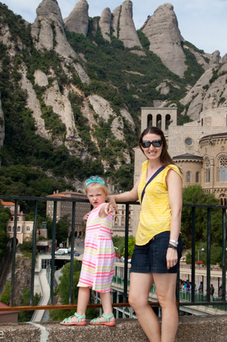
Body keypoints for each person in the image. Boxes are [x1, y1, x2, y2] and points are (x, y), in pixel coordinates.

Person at [108, 126, 183, 342]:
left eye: (156, 143)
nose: (152, 147)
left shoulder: (171, 171)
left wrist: (172, 245)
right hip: (142, 239)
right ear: (141, 146)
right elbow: (135, 193)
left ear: (163, 144)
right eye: (147, 143)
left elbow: (176, 210)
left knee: (165, 299)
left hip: (163, 236)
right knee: (136, 299)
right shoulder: (144, 167)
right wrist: (113, 197)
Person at [60, 176, 116, 327]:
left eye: (98, 195)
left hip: (97, 251)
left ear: (105, 195)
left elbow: (105, 209)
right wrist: (87, 218)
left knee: (85, 283)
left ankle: (80, 315)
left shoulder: (104, 207)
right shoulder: (94, 212)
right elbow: (97, 218)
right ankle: (108, 315)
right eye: (91, 196)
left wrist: (107, 205)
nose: (94, 198)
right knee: (103, 285)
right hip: (100, 251)